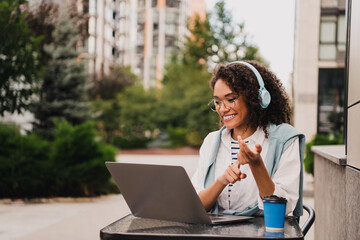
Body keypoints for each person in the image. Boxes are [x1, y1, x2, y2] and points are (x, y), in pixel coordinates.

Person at [191, 60, 305, 216]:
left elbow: (283, 210)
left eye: (231, 99)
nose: (222, 109)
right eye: (217, 102)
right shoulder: (212, 141)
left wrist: (256, 165)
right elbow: (196, 206)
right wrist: (222, 181)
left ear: (255, 98)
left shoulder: (285, 140)